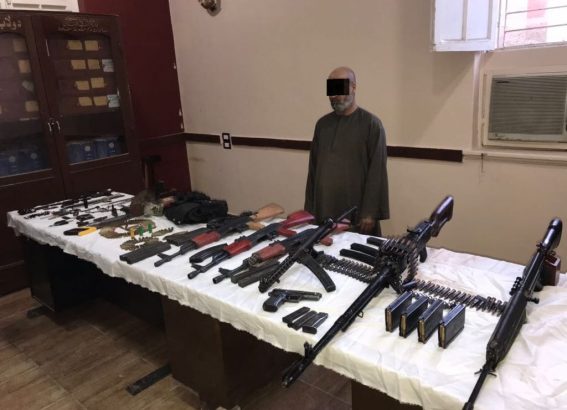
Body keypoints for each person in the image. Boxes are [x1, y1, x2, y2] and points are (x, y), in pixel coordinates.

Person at [304, 66, 389, 235]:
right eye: (331, 90)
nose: (334, 96)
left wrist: (370, 212)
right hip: (324, 208)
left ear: (353, 87)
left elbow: (377, 172)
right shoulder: (322, 125)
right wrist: (309, 209)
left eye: (339, 89)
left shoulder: (371, 124)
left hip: (357, 212)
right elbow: (313, 169)